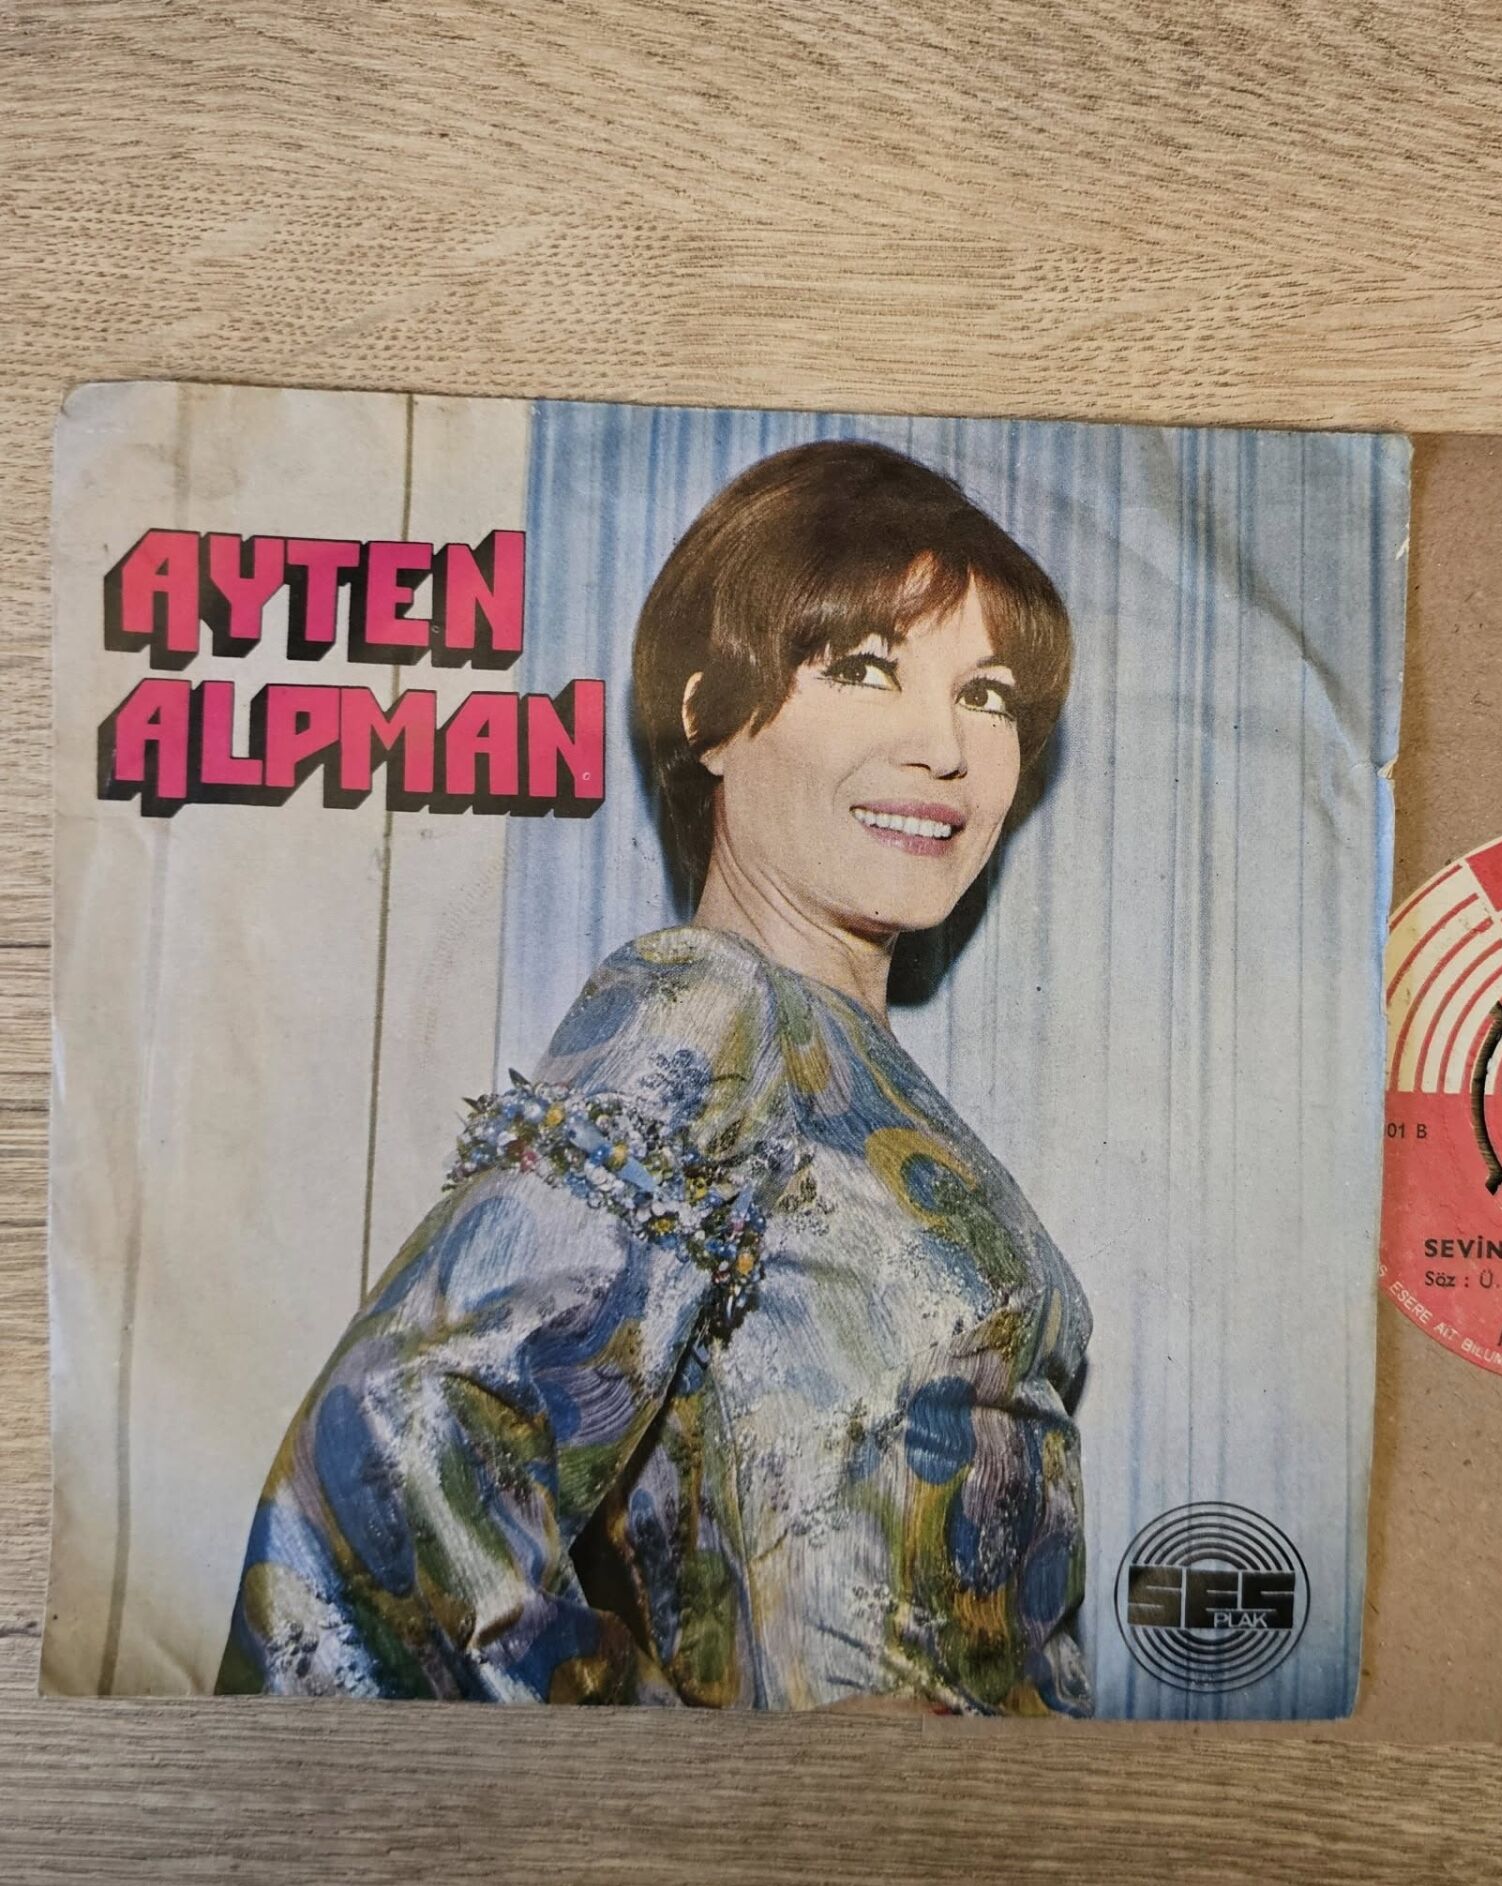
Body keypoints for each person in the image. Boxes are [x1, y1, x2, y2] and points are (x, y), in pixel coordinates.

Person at [216, 440, 1093, 1713]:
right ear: (709, 718)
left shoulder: (864, 1083)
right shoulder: (711, 1008)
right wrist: (711, 1794)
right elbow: (392, 1455)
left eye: (990, 696)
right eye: (864, 670)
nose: (944, 748)